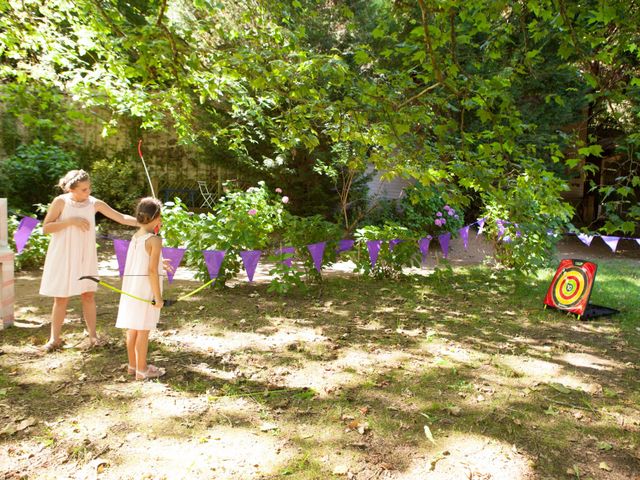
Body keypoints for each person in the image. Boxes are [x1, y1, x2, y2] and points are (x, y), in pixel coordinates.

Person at [40, 169, 139, 352]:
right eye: (84, 189)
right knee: (61, 297)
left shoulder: (94, 203)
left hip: (85, 254)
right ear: (71, 189)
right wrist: (71, 221)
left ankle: (93, 336)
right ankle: (54, 339)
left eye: (89, 188)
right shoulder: (60, 202)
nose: (88, 192)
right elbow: (46, 228)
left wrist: (144, 222)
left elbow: (121, 218)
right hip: (63, 253)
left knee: (88, 294)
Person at [115, 197, 166, 380]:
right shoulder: (155, 240)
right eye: (160, 217)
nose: (161, 221)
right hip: (145, 290)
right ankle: (142, 370)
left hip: (132, 290)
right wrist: (158, 298)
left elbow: (144, 260)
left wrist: (162, 262)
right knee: (143, 330)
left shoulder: (136, 237)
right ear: (155, 217)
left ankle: (133, 365)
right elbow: (151, 270)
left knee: (133, 329)